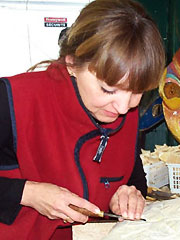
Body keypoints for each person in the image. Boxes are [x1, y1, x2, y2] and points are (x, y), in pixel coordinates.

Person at [0, 0, 165, 239]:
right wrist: (28, 193)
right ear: (72, 63)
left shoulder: (125, 109)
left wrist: (127, 195)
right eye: (108, 89)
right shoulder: (12, 100)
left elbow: (132, 177)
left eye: (137, 92)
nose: (123, 107)